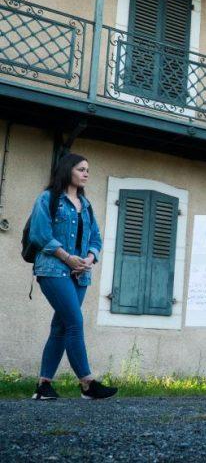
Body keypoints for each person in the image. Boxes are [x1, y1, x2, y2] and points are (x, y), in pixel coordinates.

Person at [29, 153, 117, 400]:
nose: (86, 173)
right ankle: (87, 384)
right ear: (68, 170)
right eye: (81, 169)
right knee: (74, 323)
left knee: (61, 326)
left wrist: (89, 258)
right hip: (53, 270)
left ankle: (43, 386)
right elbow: (40, 234)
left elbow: (96, 239)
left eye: (88, 169)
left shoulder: (86, 205)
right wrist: (68, 258)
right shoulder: (48, 199)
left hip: (79, 275)